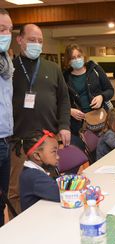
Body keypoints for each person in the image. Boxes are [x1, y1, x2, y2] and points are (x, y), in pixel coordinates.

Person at [9, 24, 71, 215]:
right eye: (31, 40)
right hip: (19, 141)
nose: (37, 44)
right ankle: (20, 229)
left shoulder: (52, 68)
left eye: (40, 41)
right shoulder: (10, 69)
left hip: (48, 139)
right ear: (20, 40)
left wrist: (64, 125)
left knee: (50, 185)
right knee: (16, 191)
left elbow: (64, 100)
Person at [63, 44, 114, 151]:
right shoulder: (64, 77)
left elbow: (110, 90)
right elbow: (59, 100)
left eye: (79, 56)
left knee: (104, 151)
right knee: (86, 154)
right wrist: (69, 110)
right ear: (68, 60)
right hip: (78, 124)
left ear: (83, 56)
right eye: (73, 58)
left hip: (100, 119)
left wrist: (101, 97)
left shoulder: (95, 69)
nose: (77, 59)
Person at [20, 130, 60, 211]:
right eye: (53, 152)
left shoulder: (32, 171)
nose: (58, 157)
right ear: (37, 156)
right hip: (37, 221)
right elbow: (60, 194)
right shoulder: (33, 176)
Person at [0, 8, 14, 226]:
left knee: (2, 199)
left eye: (10, 29)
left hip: (6, 138)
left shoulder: (5, 63)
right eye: (2, 28)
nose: (7, 34)